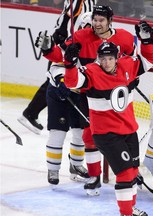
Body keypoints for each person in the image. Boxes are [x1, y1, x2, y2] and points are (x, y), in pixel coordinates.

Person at [34, 5, 137, 196]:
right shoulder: (81, 37)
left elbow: (135, 58)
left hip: (112, 94)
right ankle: (92, 176)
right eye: (93, 21)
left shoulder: (123, 37)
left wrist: (130, 76)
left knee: (123, 131)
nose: (95, 25)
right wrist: (49, 50)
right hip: (86, 92)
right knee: (85, 135)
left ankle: (130, 171)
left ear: (109, 21)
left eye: (100, 21)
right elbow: (61, 57)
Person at [63, 21, 153, 216]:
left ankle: (130, 209)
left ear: (117, 58)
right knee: (123, 174)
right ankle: (126, 213)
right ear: (98, 59)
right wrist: (70, 64)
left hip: (129, 131)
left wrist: (147, 40)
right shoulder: (91, 72)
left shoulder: (127, 65)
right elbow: (72, 82)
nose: (106, 62)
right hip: (107, 135)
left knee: (132, 172)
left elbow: (150, 59)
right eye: (102, 58)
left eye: (109, 59)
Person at [18, 0, 96, 135]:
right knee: (55, 81)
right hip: (67, 43)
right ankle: (30, 113)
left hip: (68, 40)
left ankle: (30, 113)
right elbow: (71, 15)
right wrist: (65, 41)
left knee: (58, 81)